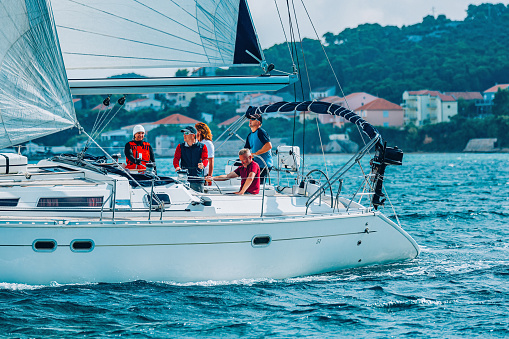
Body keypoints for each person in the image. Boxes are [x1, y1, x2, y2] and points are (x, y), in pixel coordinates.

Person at [173, 125, 208, 193]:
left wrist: (203, 165)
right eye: (183, 133)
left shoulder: (202, 146)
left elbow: (205, 159)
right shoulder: (180, 146)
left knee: (199, 199)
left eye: (186, 133)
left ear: (193, 135)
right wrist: (177, 166)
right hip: (184, 178)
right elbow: (176, 158)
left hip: (197, 178)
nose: (184, 135)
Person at [244, 114, 273, 184]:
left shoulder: (261, 132)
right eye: (250, 119)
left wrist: (255, 154)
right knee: (237, 164)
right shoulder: (249, 135)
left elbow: (268, 146)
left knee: (258, 185)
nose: (250, 120)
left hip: (264, 164)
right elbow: (246, 150)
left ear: (258, 122)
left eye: (253, 119)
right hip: (256, 164)